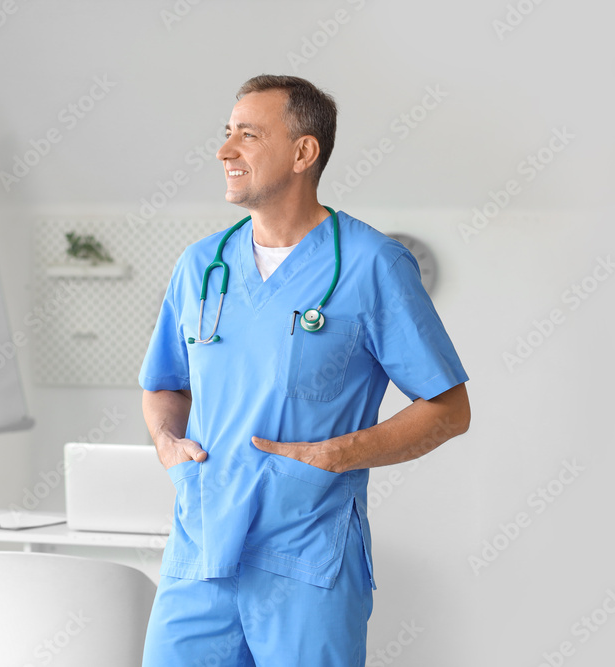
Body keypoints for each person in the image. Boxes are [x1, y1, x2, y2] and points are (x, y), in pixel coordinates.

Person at [138, 74, 471, 666]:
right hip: (201, 552)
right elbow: (165, 383)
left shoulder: (372, 265)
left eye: (248, 134)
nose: (224, 150)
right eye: (226, 133)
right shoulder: (202, 266)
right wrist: (167, 443)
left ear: (303, 152)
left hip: (306, 558)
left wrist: (335, 455)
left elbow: (448, 410)